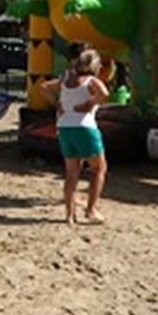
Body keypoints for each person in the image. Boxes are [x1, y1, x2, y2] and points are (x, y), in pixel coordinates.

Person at [54, 44, 110, 225]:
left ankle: (69, 214)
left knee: (71, 172)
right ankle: (91, 210)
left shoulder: (65, 78)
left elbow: (46, 87)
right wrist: (90, 103)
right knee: (98, 169)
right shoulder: (91, 81)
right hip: (85, 127)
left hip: (64, 126)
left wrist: (57, 103)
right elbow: (105, 93)